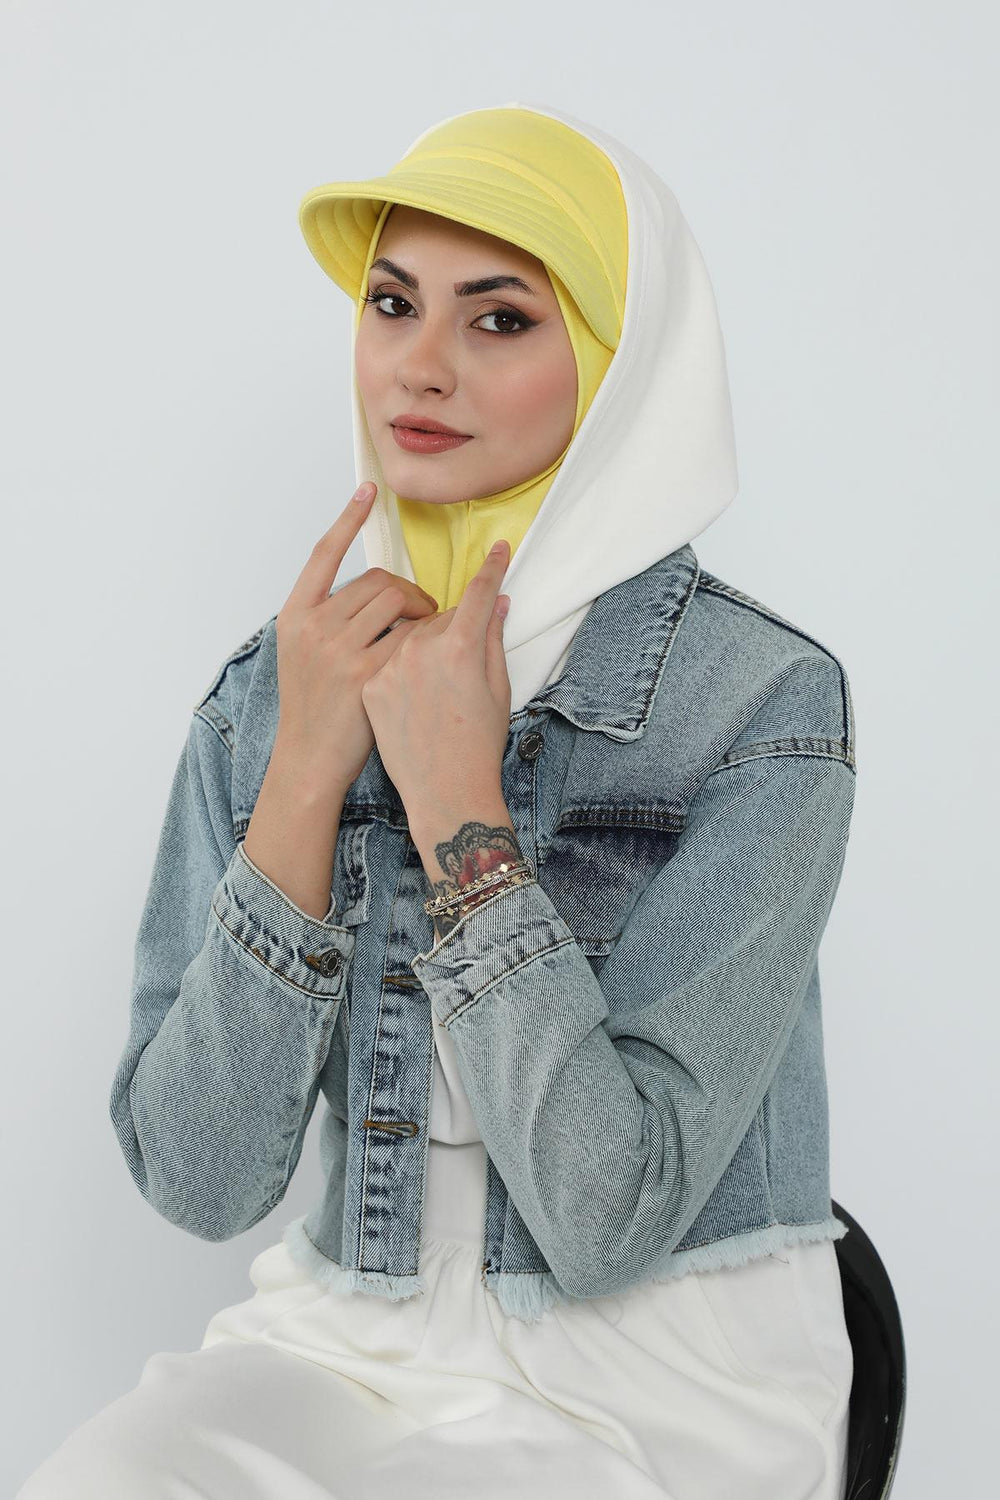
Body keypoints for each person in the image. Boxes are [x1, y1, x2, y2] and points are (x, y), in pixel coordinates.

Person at [18, 102, 856, 1499]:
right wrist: (304, 769)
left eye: (501, 320)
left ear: (620, 369)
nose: (420, 364)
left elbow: (609, 1217)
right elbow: (198, 1182)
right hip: (352, 1335)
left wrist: (465, 815)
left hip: (661, 1369)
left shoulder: (758, 705)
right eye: (393, 303)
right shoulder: (278, 687)